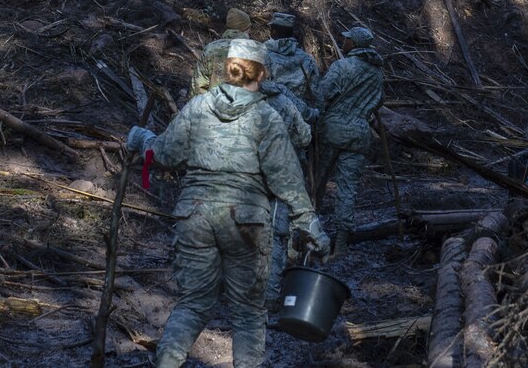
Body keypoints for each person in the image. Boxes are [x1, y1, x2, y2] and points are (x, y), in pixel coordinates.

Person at [127, 40, 329, 368]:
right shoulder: (266, 117)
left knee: (192, 306)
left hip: (195, 216)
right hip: (247, 222)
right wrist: (309, 222)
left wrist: (141, 139)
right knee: (249, 315)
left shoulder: (198, 107)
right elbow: (286, 179)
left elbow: (164, 154)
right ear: (262, 73)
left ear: (228, 67)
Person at [314, 26, 384, 259]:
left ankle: (308, 234)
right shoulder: (377, 73)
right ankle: (341, 245)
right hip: (359, 134)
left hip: (332, 130)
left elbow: (322, 95)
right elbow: (378, 102)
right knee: (347, 189)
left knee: (316, 182)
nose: (343, 43)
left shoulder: (342, 67)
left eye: (347, 40)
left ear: (354, 44)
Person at [260, 78, 316, 305]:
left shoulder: (231, 100)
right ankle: (271, 296)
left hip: (238, 178)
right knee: (275, 235)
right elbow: (304, 137)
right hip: (280, 175)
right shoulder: (283, 102)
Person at [264, 12, 321, 112]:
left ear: (273, 31)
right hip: (299, 113)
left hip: (272, 113)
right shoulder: (307, 59)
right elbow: (316, 91)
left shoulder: (262, 55)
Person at [189, 7, 251, 96]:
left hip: (214, 106)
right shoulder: (255, 51)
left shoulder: (210, 48)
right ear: (246, 28)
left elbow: (198, 86)